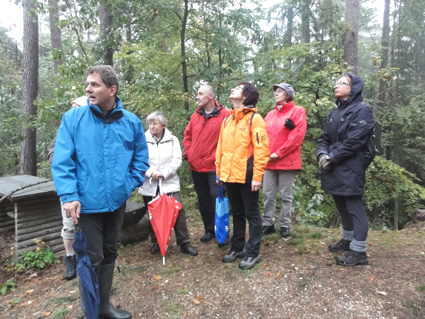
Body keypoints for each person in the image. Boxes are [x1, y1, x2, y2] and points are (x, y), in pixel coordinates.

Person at [51, 65, 149, 319]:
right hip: (87, 205)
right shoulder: (73, 120)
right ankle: (90, 312)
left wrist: (128, 185)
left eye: (94, 84)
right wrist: (69, 195)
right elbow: (62, 162)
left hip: (116, 202)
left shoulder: (131, 122)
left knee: (110, 253)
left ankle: (104, 306)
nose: (88, 88)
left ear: (111, 90)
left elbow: (140, 158)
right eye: (88, 84)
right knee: (91, 258)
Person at [317, 73, 374, 267]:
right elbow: (324, 137)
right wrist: (322, 154)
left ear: (354, 88)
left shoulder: (362, 110)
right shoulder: (335, 112)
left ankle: (359, 252)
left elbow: (355, 141)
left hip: (351, 166)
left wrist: (332, 157)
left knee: (353, 207)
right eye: (336, 82)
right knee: (341, 204)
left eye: (342, 83)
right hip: (333, 166)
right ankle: (348, 239)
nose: (336, 85)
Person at [215, 82, 270, 270]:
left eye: (237, 88)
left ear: (245, 96)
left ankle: (253, 252)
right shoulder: (227, 120)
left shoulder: (255, 119)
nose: (232, 89)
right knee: (236, 213)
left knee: (252, 214)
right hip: (229, 175)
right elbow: (220, 148)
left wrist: (257, 176)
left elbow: (262, 150)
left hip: (247, 176)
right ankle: (237, 247)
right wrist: (219, 172)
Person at [139, 111, 198, 256]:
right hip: (150, 183)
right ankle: (157, 242)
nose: (152, 126)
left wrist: (164, 172)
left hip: (169, 182)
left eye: (155, 123)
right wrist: (151, 172)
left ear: (163, 125)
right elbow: (140, 160)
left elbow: (177, 160)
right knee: (153, 213)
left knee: (177, 211)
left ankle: (184, 243)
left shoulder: (173, 140)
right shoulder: (142, 140)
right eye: (150, 123)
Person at [48, 95, 88, 281]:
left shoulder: (90, 128)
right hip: (70, 187)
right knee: (69, 225)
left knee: (89, 224)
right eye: (71, 105)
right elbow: (54, 155)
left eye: (76, 106)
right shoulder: (64, 129)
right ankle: (70, 258)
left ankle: (87, 256)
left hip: (89, 188)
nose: (72, 108)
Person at [183, 84, 230, 243]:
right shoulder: (196, 115)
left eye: (200, 93)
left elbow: (230, 139)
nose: (197, 96)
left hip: (214, 167)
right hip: (196, 166)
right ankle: (209, 229)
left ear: (211, 96)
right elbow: (187, 135)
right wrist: (188, 153)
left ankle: (222, 230)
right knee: (203, 200)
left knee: (217, 198)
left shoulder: (224, 114)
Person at [262, 83, 307, 238]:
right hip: (269, 161)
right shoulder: (270, 114)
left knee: (285, 195)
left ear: (288, 95)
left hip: (287, 161)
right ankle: (267, 223)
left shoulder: (298, 111)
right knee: (268, 194)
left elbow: (297, 137)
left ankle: (285, 225)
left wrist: (279, 153)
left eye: (280, 91)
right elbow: (261, 136)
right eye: (275, 91)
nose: (276, 93)